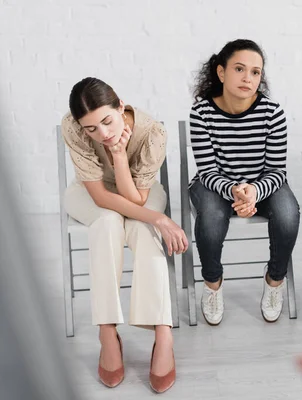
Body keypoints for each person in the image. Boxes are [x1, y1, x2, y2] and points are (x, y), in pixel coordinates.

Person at [61, 77, 186, 393]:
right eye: (92, 129)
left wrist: (118, 158)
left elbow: (136, 201)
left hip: (140, 194)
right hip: (92, 193)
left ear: (121, 106)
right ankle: (107, 332)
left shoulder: (152, 133)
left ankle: (163, 333)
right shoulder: (72, 126)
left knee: (142, 229)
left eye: (107, 121)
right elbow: (103, 199)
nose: (102, 134)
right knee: (107, 223)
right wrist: (160, 219)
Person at [189, 39, 300, 326]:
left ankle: (275, 280)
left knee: (288, 214)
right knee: (212, 215)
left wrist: (253, 192)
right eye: (239, 69)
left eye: (255, 72)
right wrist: (234, 191)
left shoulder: (272, 114)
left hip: (263, 184)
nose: (248, 78)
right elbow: (207, 171)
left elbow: (277, 171)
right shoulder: (201, 113)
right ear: (221, 72)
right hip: (214, 184)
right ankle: (212, 283)